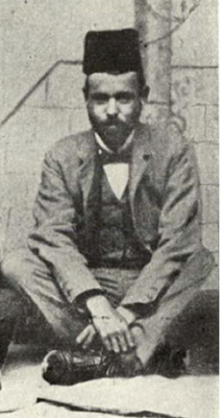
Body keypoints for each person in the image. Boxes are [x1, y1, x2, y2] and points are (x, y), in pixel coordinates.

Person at [1, 29, 217, 384]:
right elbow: (53, 238)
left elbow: (177, 242)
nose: (112, 111)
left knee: (199, 259)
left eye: (124, 98)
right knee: (16, 262)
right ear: (85, 98)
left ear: (143, 97)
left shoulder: (174, 149)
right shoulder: (62, 155)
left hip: (148, 283)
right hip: (87, 286)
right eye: (100, 99)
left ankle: (101, 356)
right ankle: (136, 355)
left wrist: (128, 310)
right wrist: (99, 307)